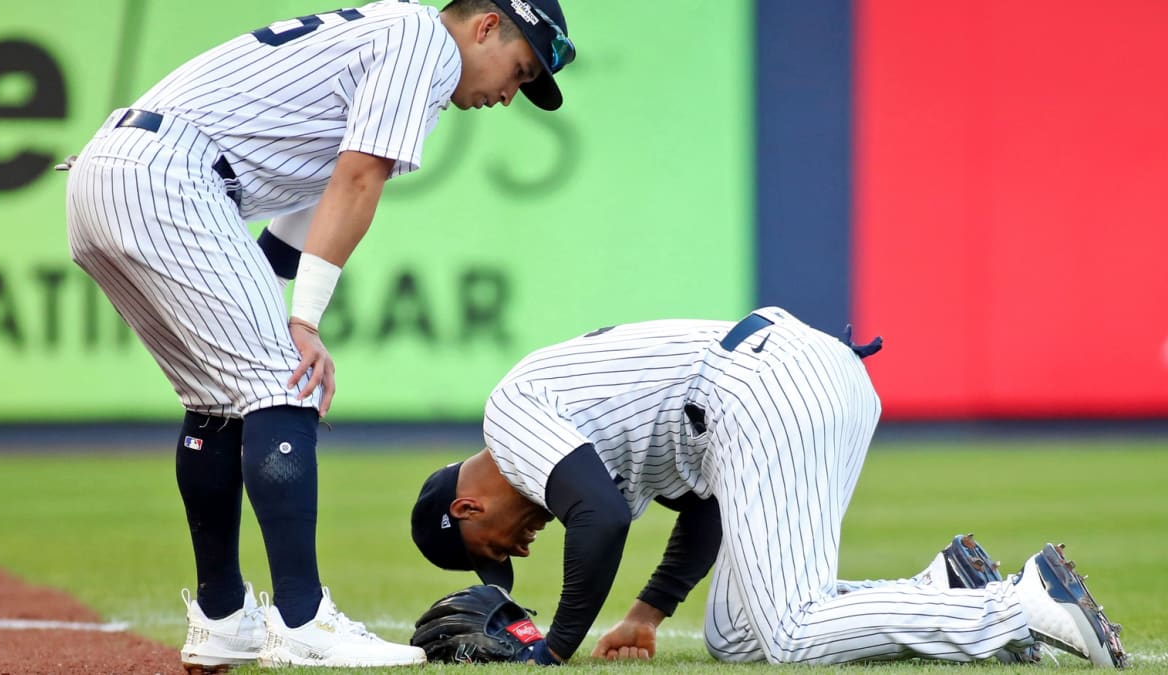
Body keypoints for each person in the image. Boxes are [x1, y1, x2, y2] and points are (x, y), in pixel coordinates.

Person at [62, 0, 575, 671]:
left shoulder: (392, 35)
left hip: (116, 172)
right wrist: (301, 324)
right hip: (169, 177)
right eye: (520, 67)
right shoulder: (425, 42)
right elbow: (360, 179)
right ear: (485, 27)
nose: (510, 94)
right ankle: (302, 619)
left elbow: (313, 201)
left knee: (223, 399)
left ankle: (220, 615)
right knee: (283, 386)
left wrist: (282, 314)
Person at [410, 307, 1127, 667]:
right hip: (786, 384)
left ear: (467, 507)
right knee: (736, 634)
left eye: (493, 548)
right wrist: (649, 611)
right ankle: (946, 588)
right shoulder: (569, 444)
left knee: (788, 630)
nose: (517, 552)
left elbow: (598, 519)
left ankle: (1021, 605)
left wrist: (554, 648)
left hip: (765, 388)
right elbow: (702, 506)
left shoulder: (512, 416)